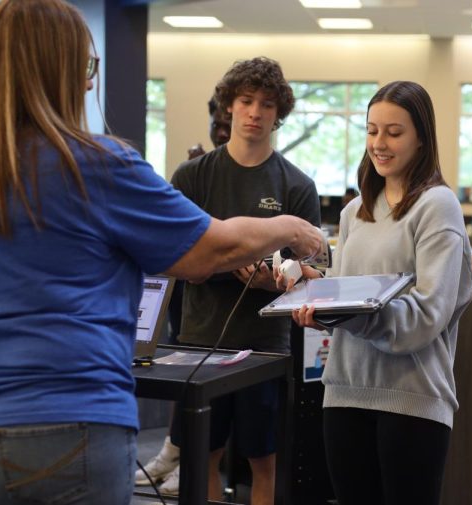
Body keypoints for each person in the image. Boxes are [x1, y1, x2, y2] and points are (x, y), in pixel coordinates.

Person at [0, 2, 321, 504]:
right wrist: (288, 225)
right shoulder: (97, 165)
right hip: (58, 424)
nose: (90, 84)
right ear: (61, 71)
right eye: (87, 68)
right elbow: (207, 252)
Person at [136, 56, 321, 503]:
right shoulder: (192, 177)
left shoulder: (296, 186)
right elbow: (173, 255)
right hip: (199, 341)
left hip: (264, 345)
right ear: (228, 107)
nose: (255, 112)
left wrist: (270, 280)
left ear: (279, 114)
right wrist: (224, 261)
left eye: (266, 104)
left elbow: (314, 276)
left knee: (264, 460)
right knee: (204, 454)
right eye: (246, 100)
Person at [292, 81, 472, 505]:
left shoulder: (437, 206)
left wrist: (351, 314)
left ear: (422, 139)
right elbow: (346, 291)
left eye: (394, 132)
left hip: (412, 400)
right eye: (373, 131)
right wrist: (314, 294)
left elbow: (428, 314)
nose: (380, 143)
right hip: (343, 391)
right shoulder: (355, 211)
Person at [168, 97, 232, 340]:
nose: (223, 133)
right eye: (217, 126)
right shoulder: (191, 173)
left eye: (228, 125)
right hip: (191, 306)